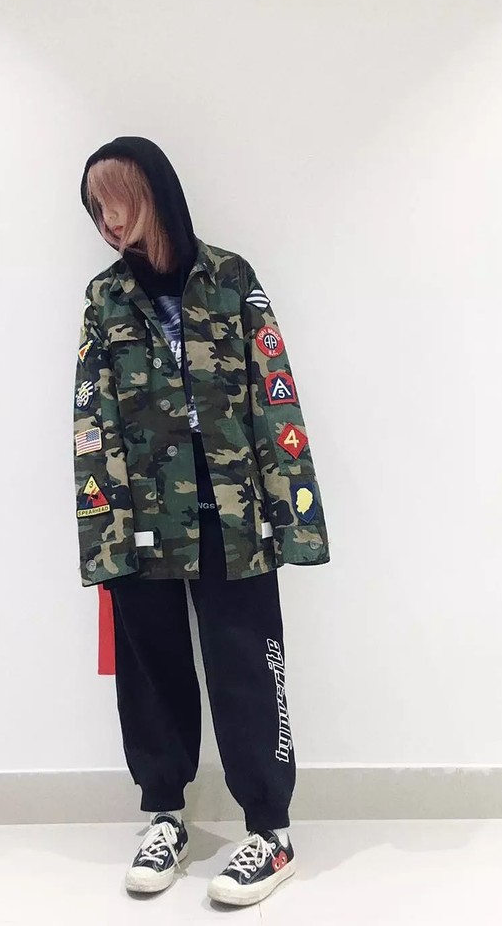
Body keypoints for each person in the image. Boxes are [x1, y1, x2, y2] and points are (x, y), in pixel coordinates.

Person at [74, 136, 329, 906]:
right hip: (142, 517)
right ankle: (165, 816)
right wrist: (104, 536)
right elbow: (92, 423)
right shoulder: (104, 299)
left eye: (115, 201)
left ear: (152, 192)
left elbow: (275, 397)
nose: (107, 221)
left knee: (246, 665)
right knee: (151, 674)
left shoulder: (232, 279)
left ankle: (271, 832)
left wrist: (294, 519)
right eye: (95, 209)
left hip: (233, 513)